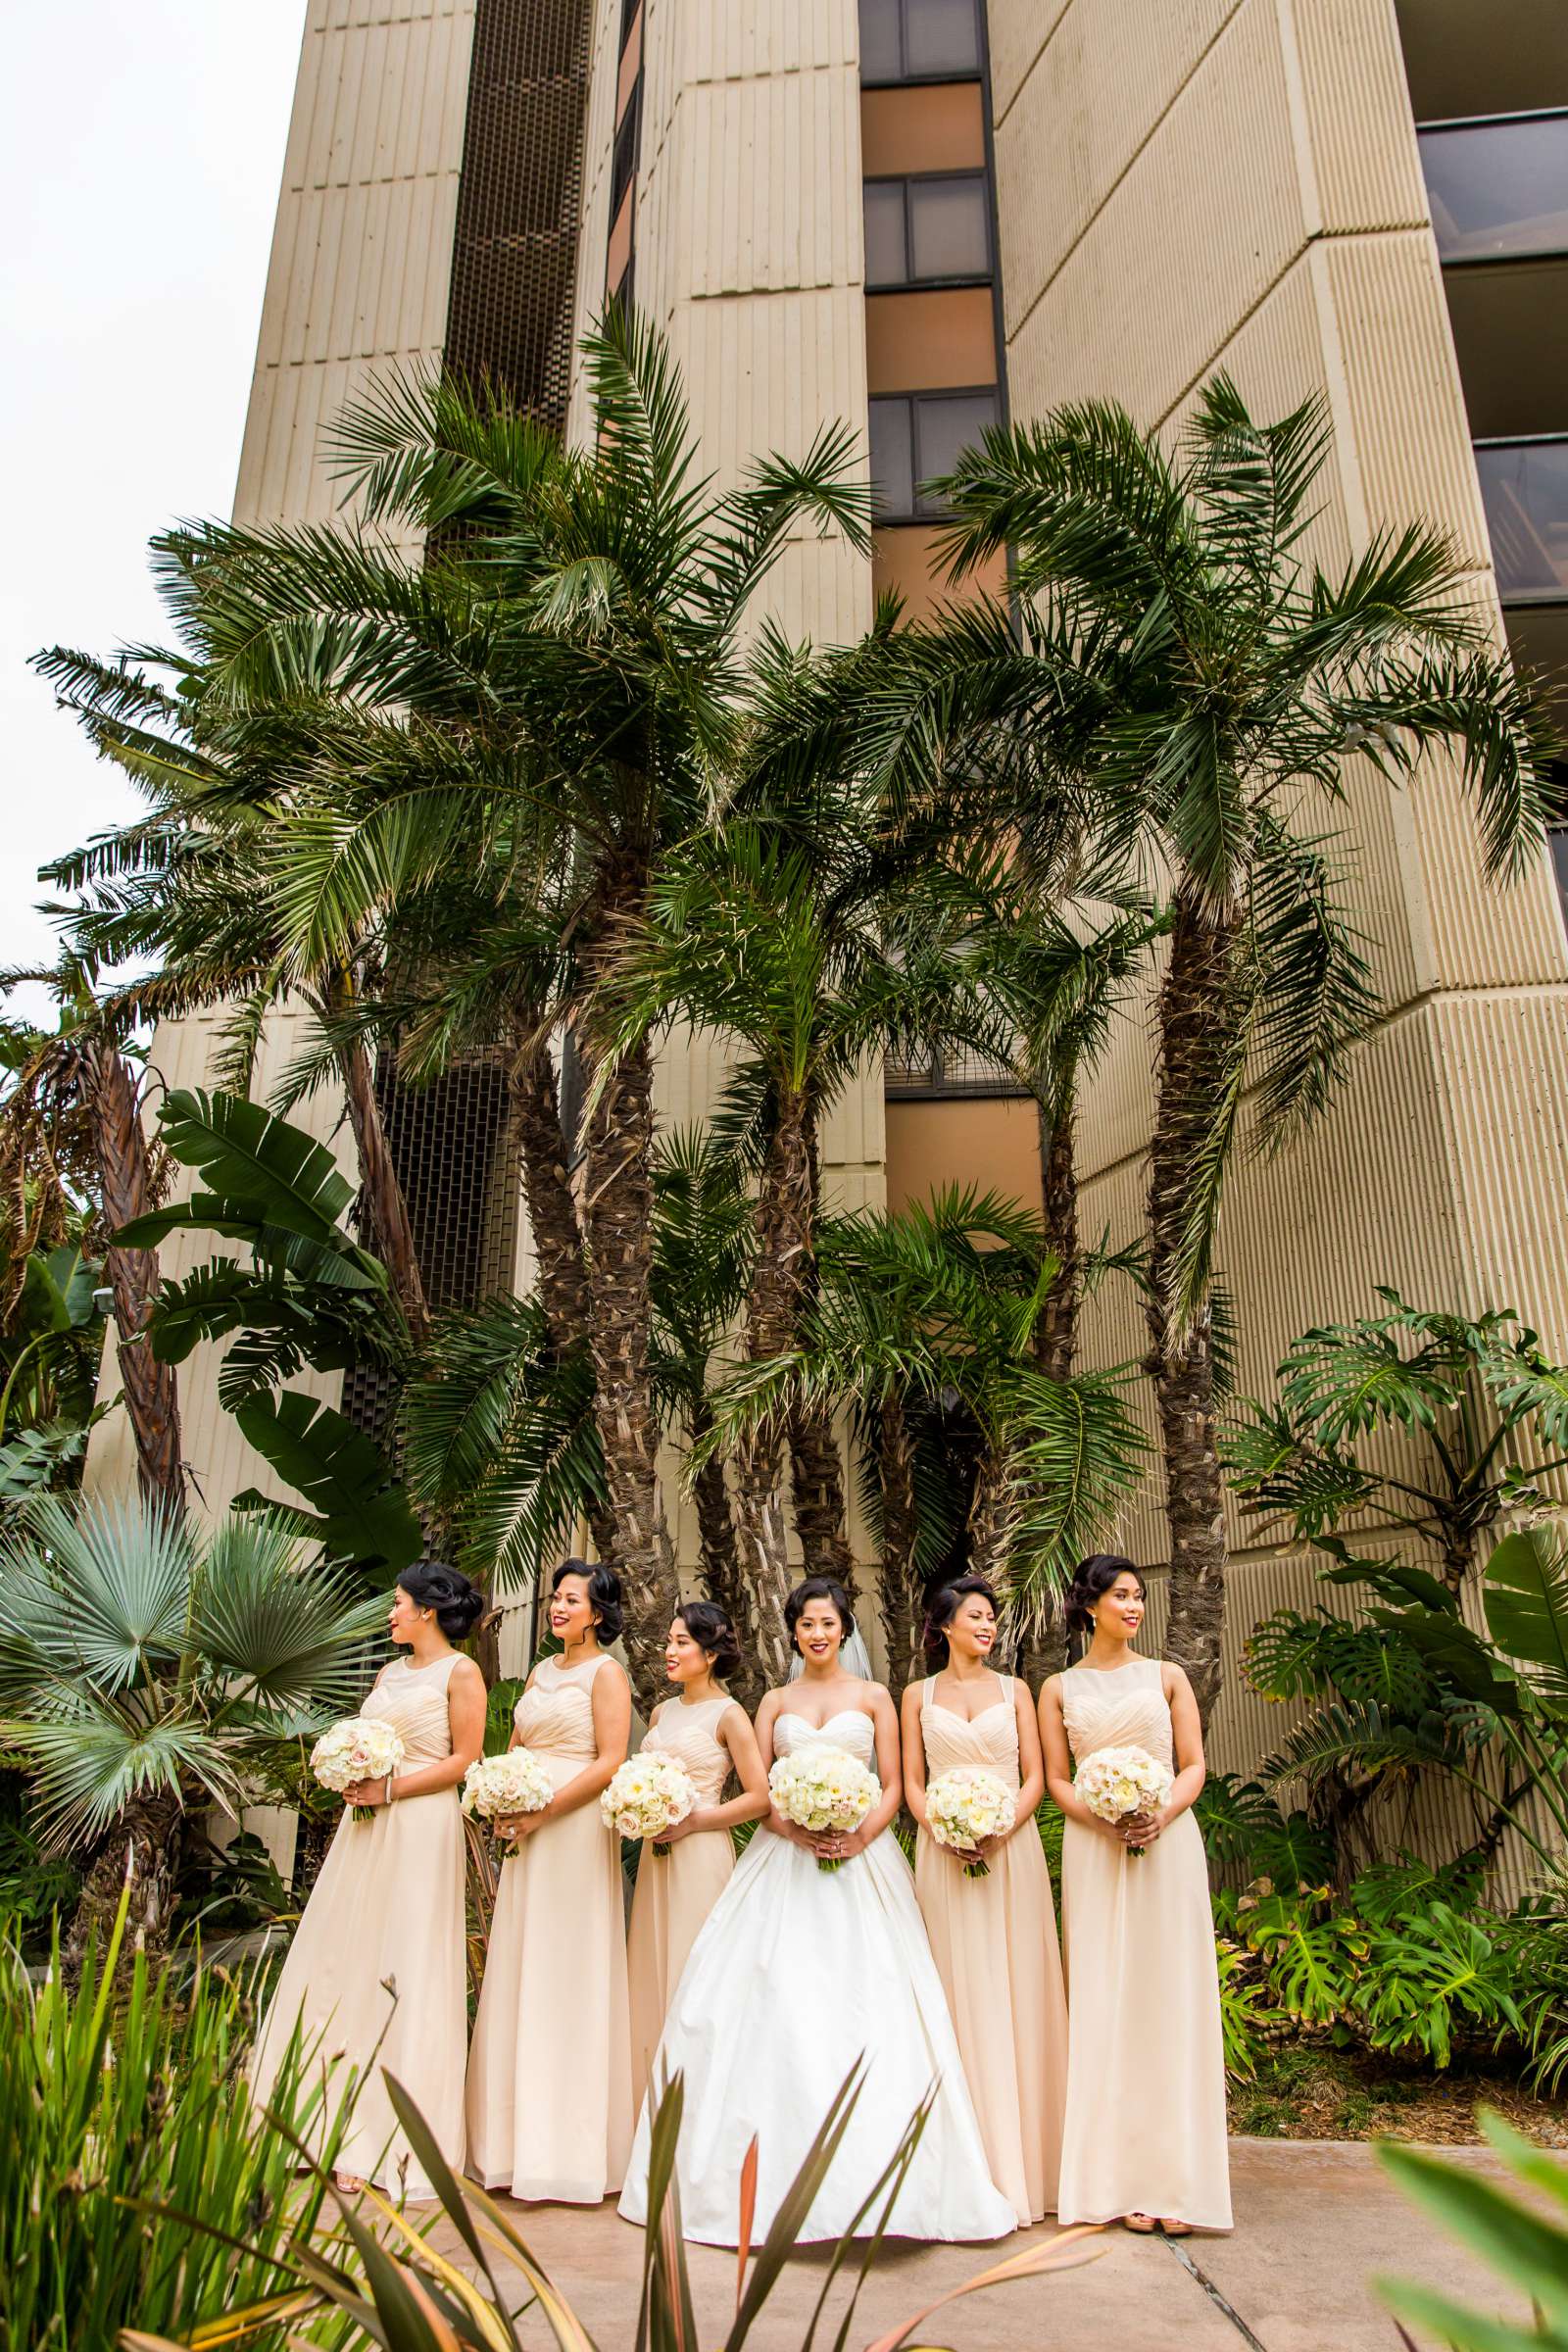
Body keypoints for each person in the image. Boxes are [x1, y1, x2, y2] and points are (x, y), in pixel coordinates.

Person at [618, 1576, 1016, 2246]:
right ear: (794, 1631)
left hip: (865, 1859)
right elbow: (762, 1791)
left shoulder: (873, 1698)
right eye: (806, 1624)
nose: (817, 1633)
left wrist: (861, 1833)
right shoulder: (775, 1701)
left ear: (844, 1630)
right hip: (785, 1862)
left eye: (828, 1623)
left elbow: (893, 1784)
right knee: (767, 1997)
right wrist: (796, 1827)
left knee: (877, 1998)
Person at [250, 1559, 487, 2200]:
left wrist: (392, 1787)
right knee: (343, 1957)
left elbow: (466, 1758)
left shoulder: (461, 1673)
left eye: (398, 1604)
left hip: (418, 1825)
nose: (390, 1614)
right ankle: (322, 2121)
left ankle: (381, 2138)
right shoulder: (387, 1672)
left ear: (428, 1611)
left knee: (402, 1965)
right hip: (365, 1825)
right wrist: (353, 1775)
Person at [1039, 1553, 1232, 2235]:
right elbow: (1059, 1780)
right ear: (1090, 1605)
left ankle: (1175, 2184)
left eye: (1139, 1597)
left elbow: (1194, 1765)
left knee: (1168, 2001)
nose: (1135, 1607)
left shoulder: (1168, 1676)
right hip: (1095, 1848)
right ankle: (1115, 2181)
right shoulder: (1058, 1688)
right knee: (1106, 1999)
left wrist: (1159, 1812)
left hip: (1167, 1843)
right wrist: (1102, 1818)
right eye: (1122, 1596)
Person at [466, 1558, 634, 2203]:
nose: (558, 1608)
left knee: (566, 1971)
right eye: (556, 1599)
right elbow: (514, 1742)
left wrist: (546, 1811)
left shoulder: (607, 1674)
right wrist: (501, 1794)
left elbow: (614, 1759)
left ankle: (567, 2150)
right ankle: (509, 2146)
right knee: (521, 1965)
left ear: (597, 1613)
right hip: (525, 1831)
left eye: (571, 1600)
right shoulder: (540, 1671)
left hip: (571, 1829)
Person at [902, 1576, 1067, 2225]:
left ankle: (1028, 2166)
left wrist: (1002, 1826)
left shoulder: (1016, 1691)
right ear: (943, 1623)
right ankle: (959, 2165)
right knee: (951, 1987)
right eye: (975, 1615)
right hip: (941, 1853)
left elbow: (1036, 1776)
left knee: (1016, 1984)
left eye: (992, 1616)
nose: (988, 1625)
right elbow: (913, 1781)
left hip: (1011, 1850)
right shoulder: (915, 1696)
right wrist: (942, 1827)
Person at [626, 1600, 770, 2113]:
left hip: (701, 1852)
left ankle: (701, 2109)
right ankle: (651, 2109)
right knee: (653, 1969)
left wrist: (692, 1821)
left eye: (681, 1642)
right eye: (670, 1641)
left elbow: (758, 1796)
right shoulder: (662, 1712)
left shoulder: (729, 1714)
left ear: (709, 1654)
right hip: (655, 1857)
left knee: (697, 1975)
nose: (669, 1651)